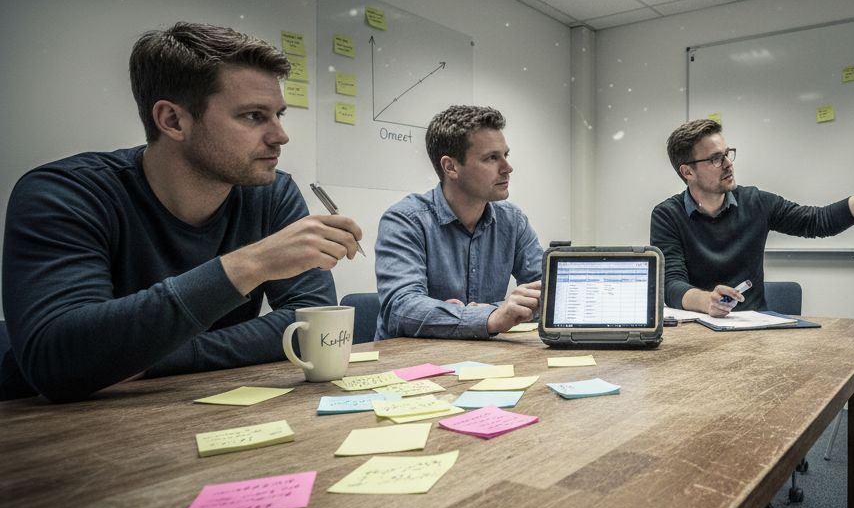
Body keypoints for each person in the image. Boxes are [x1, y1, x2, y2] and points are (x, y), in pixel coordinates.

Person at [1, 22, 363, 403]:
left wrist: (156, 358)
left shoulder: (271, 193)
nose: (280, 135)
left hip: (198, 408)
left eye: (279, 114)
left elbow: (312, 323)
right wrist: (248, 265)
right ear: (173, 120)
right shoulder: (66, 193)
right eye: (254, 116)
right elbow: (55, 361)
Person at [650, 117, 854, 508]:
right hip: (695, 333)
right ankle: (698, 486)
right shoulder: (668, 214)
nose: (727, 164)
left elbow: (820, 221)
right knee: (683, 410)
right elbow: (670, 282)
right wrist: (704, 300)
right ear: (687, 171)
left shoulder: (755, 202)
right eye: (714, 158)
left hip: (752, 337)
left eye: (728, 153)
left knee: (751, 407)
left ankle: (753, 495)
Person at [375, 105, 543, 340]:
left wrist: (481, 313)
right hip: (411, 364)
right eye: (492, 158)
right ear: (451, 167)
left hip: (484, 360)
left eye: (505, 155)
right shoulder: (405, 220)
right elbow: (402, 310)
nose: (507, 168)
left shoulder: (512, 220)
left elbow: (551, 297)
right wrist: (492, 316)